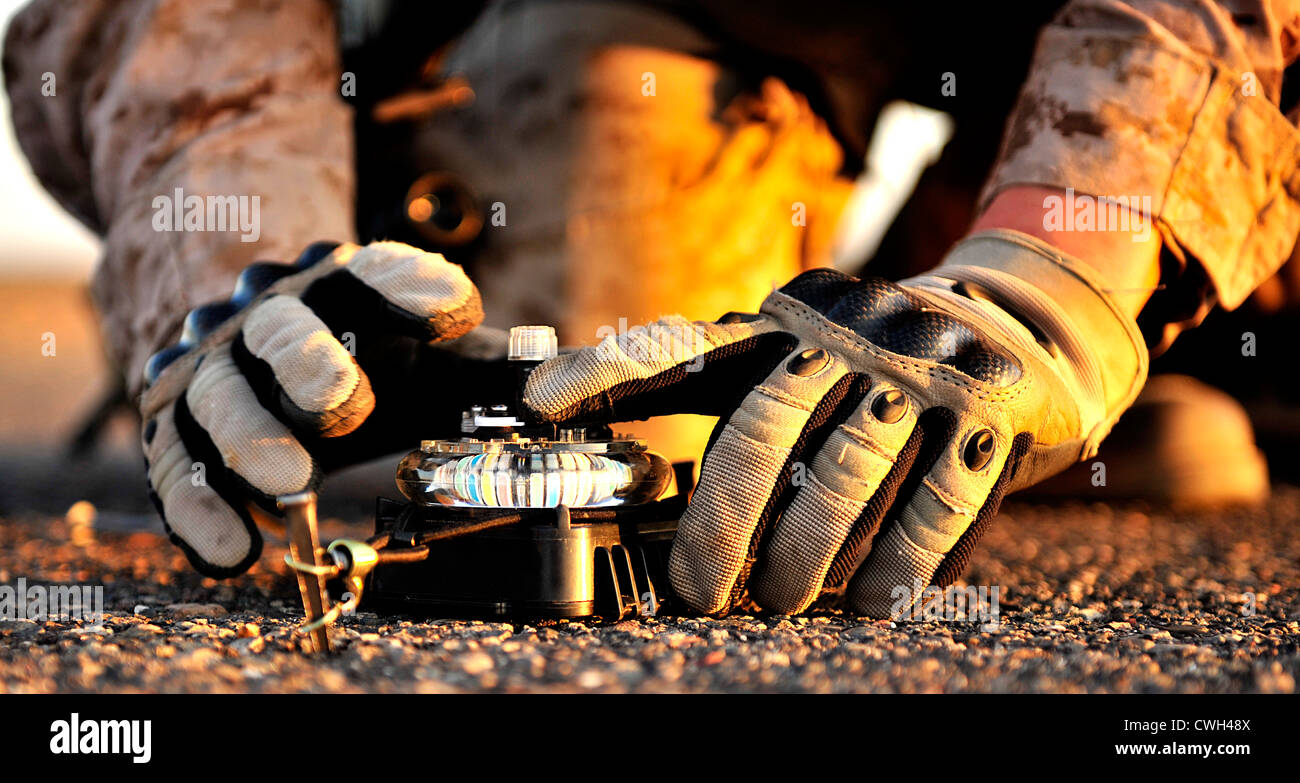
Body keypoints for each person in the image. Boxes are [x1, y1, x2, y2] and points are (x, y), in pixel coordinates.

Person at [4, 0, 1297, 617]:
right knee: (669, 444)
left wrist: (1063, 265)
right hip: (618, 41)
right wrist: (236, 255)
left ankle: (1068, 360)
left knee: (835, 451)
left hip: (1051, 50)